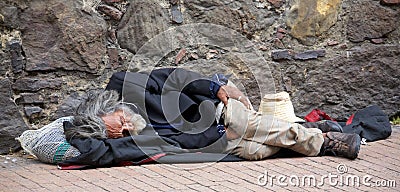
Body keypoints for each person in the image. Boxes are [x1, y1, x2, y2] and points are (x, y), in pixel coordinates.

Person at [66, 67, 361, 160]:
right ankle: (316, 132)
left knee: (249, 122)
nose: (128, 128)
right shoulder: (128, 137)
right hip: (213, 137)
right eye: (120, 134)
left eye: (120, 123)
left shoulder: (125, 85)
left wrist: (213, 88)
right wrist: (75, 130)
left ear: (110, 105)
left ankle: (326, 143)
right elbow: (94, 151)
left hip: (212, 107)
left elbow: (176, 77)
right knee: (258, 151)